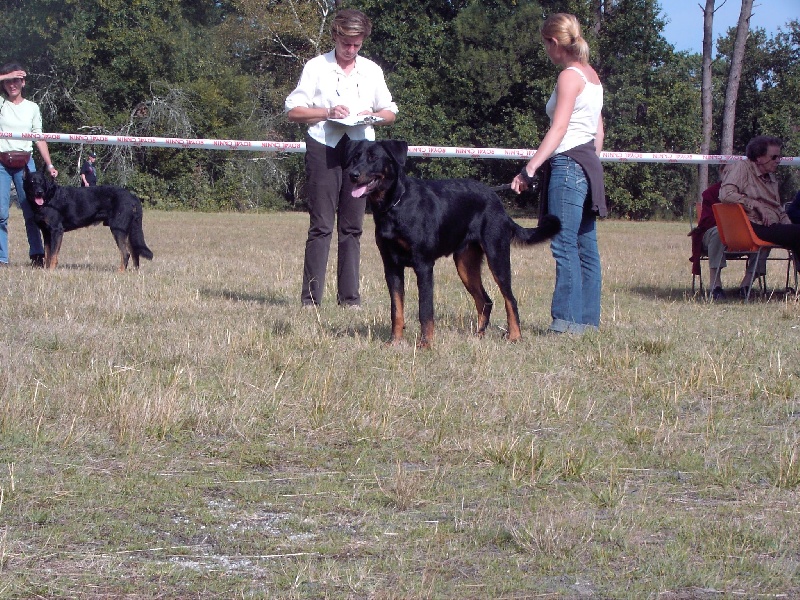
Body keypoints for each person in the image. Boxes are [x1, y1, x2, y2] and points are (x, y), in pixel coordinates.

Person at [285, 9, 398, 307]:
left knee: (353, 227)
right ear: (335, 36)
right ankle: (310, 300)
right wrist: (327, 112)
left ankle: (350, 299)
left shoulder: (372, 70)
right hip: (324, 147)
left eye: (357, 44)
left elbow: (390, 112)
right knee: (321, 225)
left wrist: (372, 115)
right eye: (346, 43)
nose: (351, 50)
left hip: (361, 152)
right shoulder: (315, 67)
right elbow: (294, 111)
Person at [510, 13, 606, 334]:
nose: (546, 52)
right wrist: (592, 163)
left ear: (554, 43)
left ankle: (565, 323)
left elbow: (560, 127)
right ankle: (587, 323)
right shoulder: (592, 77)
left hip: (567, 165)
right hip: (589, 164)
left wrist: (530, 167)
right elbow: (598, 131)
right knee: (585, 247)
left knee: (564, 245)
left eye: (545, 45)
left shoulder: (569, 76)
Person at [719, 135, 800, 295]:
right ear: (759, 157)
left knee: (796, 233)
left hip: (771, 226)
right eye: (774, 157)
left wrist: (788, 224)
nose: (778, 161)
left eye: (780, 156)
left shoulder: (771, 178)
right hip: (750, 226)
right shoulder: (742, 168)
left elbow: (778, 208)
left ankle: (748, 286)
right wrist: (754, 204)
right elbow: (725, 194)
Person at [0, 62, 59, 267]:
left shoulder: (32, 107)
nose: (12, 85)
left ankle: (37, 255)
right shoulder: (1, 103)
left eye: (16, 80)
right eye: (8, 81)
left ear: (23, 82)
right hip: (2, 164)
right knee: (1, 213)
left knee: (33, 212)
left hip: (25, 164)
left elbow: (39, 137)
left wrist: (49, 164)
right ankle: (2, 258)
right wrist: (5, 75)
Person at [690, 179, 766, 300]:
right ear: (722, 171)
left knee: (765, 234)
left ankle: (746, 285)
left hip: (745, 236)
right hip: (714, 236)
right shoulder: (711, 193)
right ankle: (715, 285)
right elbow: (706, 222)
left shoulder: (753, 192)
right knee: (718, 232)